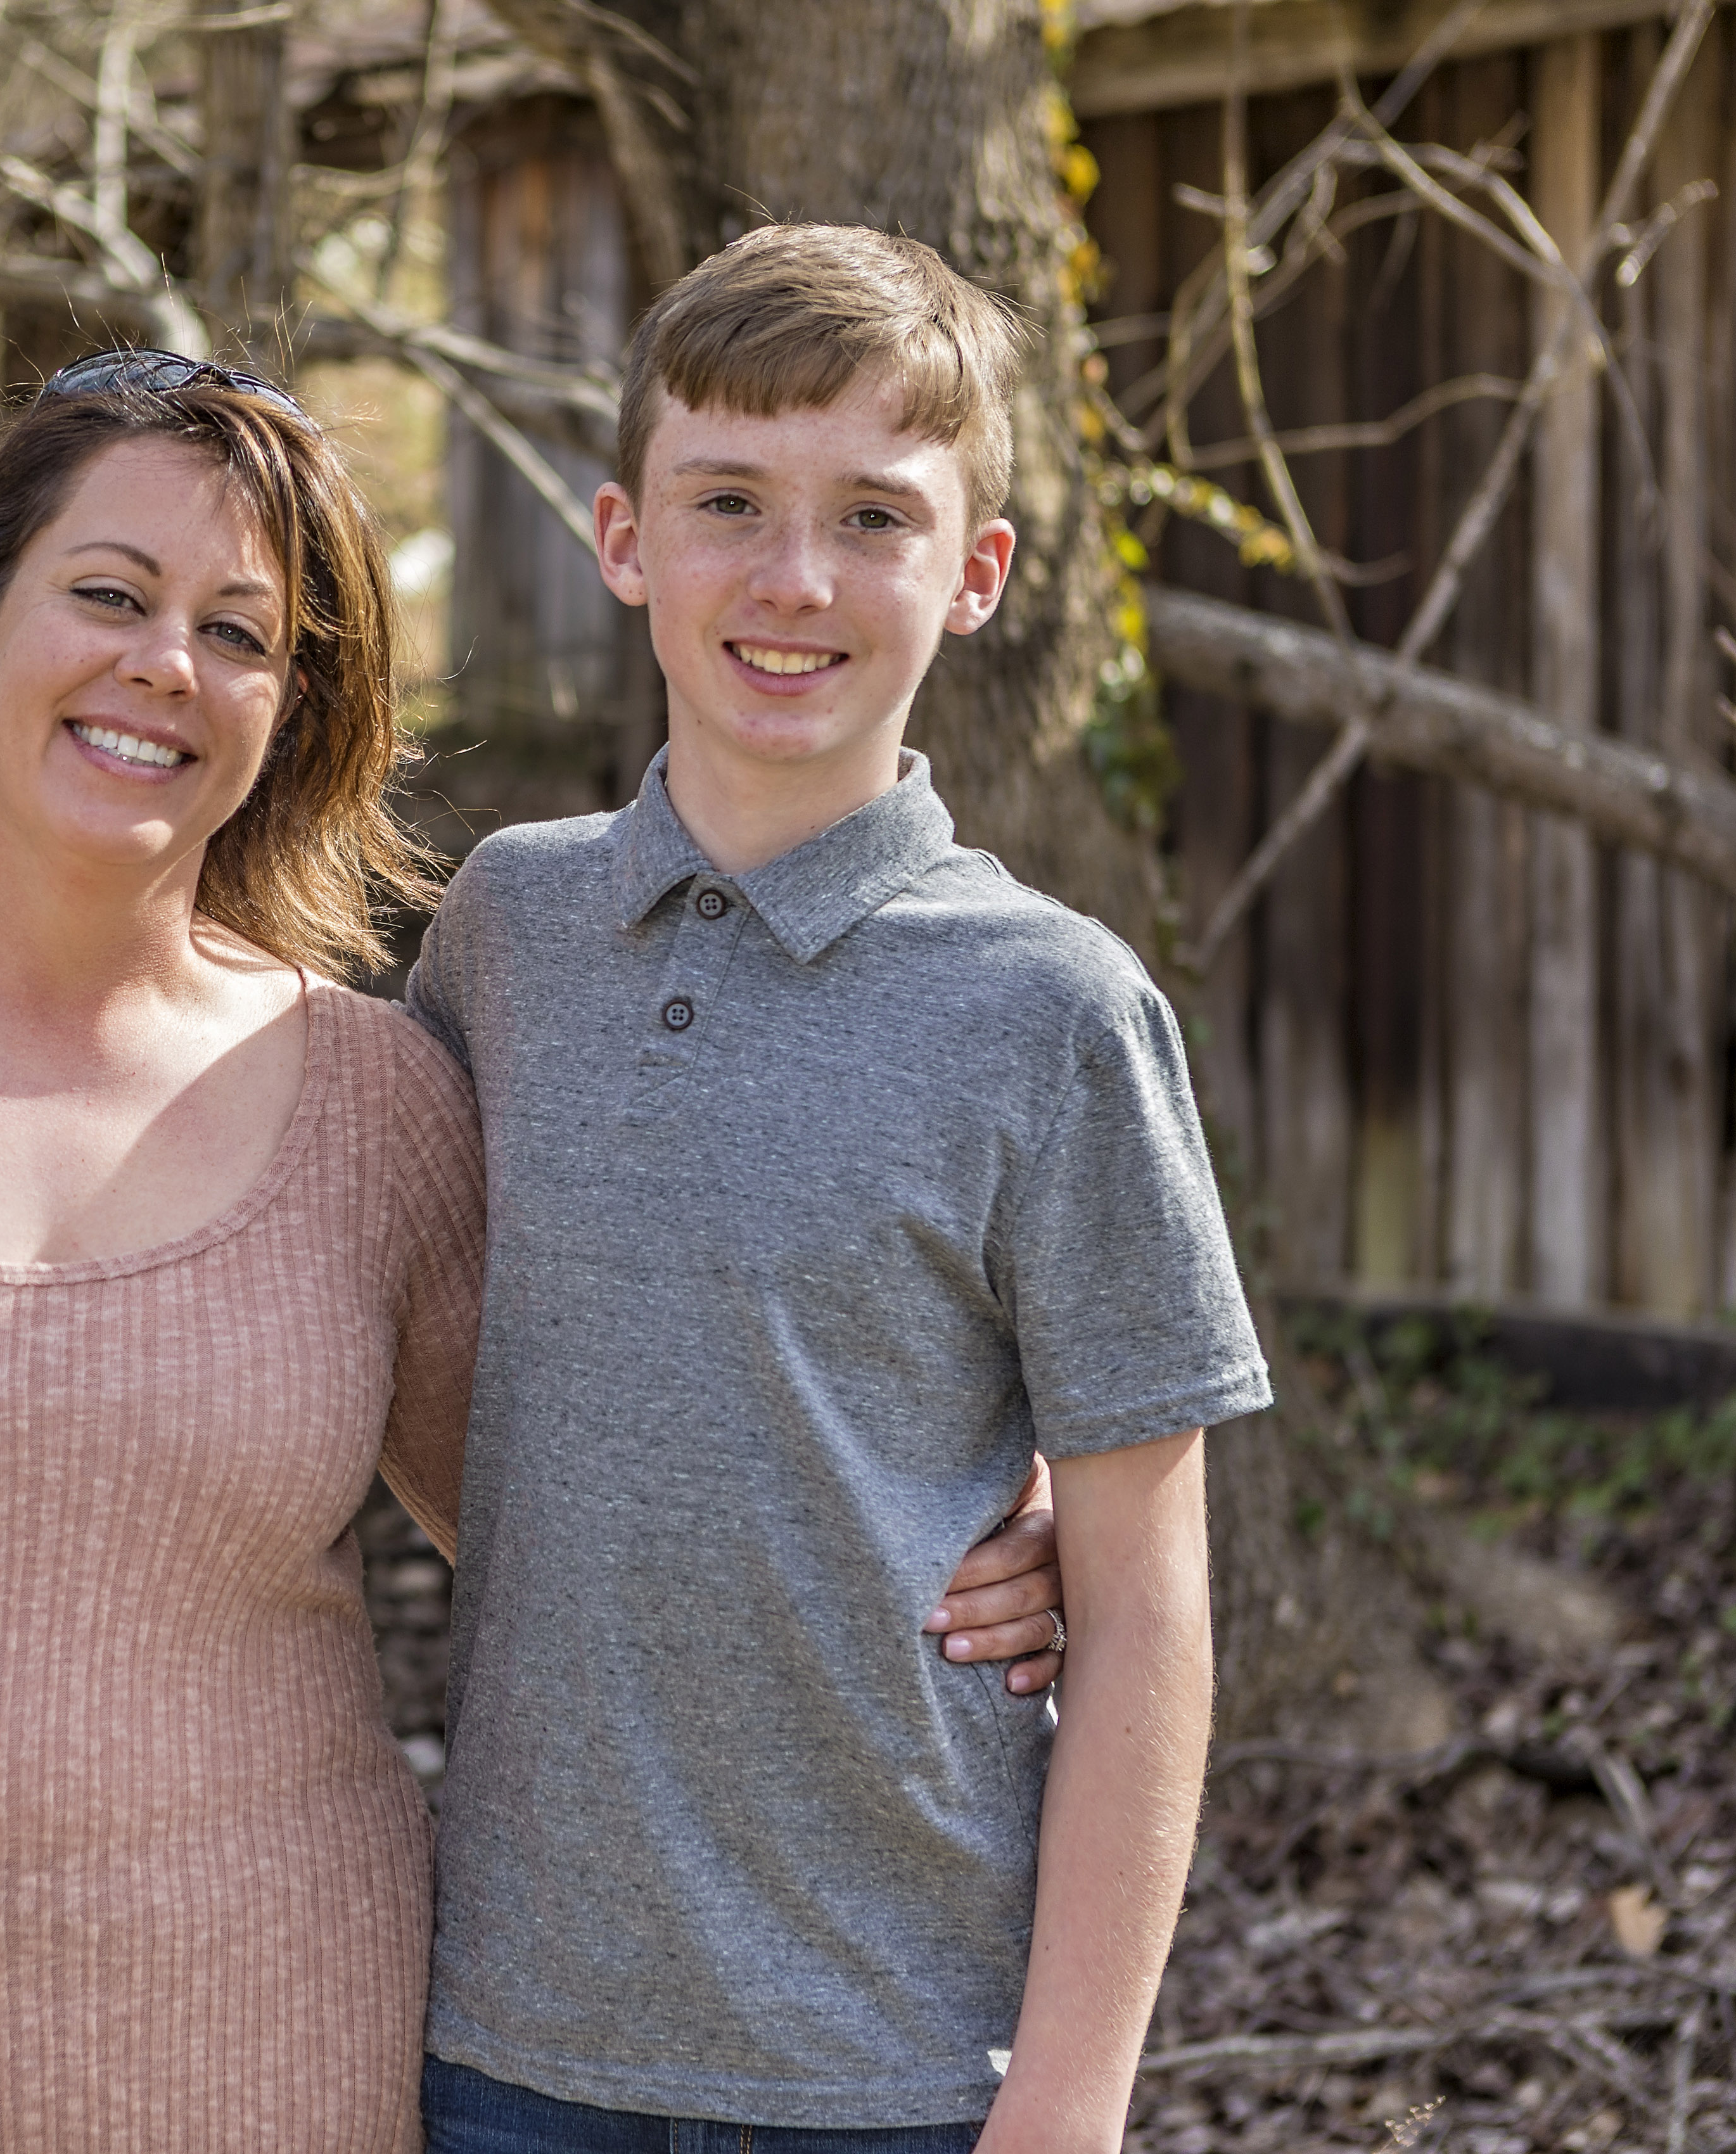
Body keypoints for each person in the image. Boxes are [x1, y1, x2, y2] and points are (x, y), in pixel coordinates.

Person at [0, 350, 1068, 2154]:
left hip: (281, 2080)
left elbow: (599, 1522)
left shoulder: (374, 1107)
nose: (165, 667)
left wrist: (974, 1523)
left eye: (237, 633)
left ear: (288, 710)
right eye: (108, 595)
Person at [403, 226, 1270, 2154]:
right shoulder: (505, 935)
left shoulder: (1053, 1010)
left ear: (975, 576)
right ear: (624, 539)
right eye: (728, 501)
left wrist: (1066, 2109)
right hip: (505, 2049)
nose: (793, 579)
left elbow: (1148, 1613)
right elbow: (417, 1361)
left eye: (873, 517)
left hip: (900, 2072)